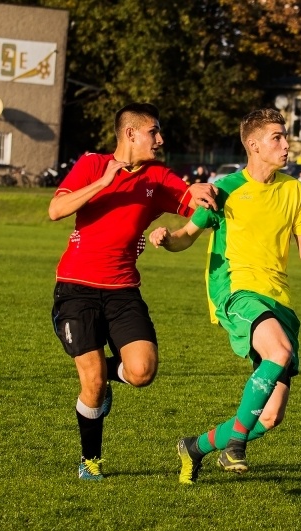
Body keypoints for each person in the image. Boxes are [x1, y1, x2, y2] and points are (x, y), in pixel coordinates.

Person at [148, 108, 301, 484]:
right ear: (253, 145)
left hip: (279, 300)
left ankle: (195, 446)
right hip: (237, 290)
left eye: (285, 136)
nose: (286, 144)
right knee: (279, 352)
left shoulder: (295, 190)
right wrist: (166, 238)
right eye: (277, 137)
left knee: (271, 416)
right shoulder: (225, 189)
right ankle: (235, 447)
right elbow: (186, 236)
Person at [48, 103, 218, 481]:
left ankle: (101, 375)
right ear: (130, 134)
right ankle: (90, 460)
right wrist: (103, 182)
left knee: (142, 371)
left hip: (123, 291)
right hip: (76, 289)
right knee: (92, 382)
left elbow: (196, 203)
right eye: (153, 131)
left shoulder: (158, 176)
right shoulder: (92, 164)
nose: (160, 139)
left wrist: (203, 191)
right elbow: (56, 210)